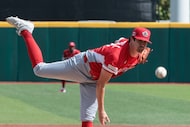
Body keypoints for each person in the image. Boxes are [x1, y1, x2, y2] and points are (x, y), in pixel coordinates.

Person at [6, 16, 152, 127]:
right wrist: (101, 110)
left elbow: (120, 40)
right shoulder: (116, 57)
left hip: (93, 78)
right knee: (39, 69)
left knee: (87, 119)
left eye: (144, 43)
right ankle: (26, 30)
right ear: (131, 39)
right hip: (81, 66)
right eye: (139, 41)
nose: (142, 45)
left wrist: (141, 52)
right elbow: (101, 85)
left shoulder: (138, 53)